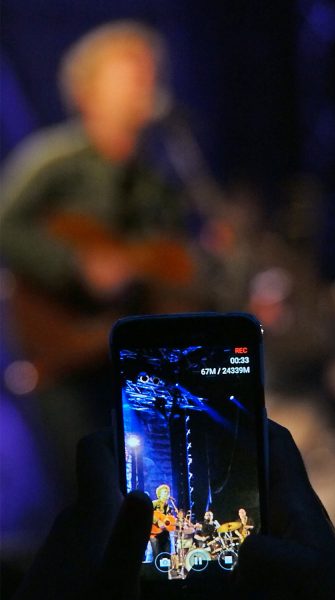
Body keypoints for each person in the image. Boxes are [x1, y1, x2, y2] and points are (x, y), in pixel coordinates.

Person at [0, 21, 201, 501]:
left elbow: (171, 264)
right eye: (129, 72)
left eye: (150, 72)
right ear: (87, 89)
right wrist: (74, 267)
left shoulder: (160, 177)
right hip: (64, 355)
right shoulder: (53, 161)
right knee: (84, 493)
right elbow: (5, 226)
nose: (146, 83)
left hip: (132, 357)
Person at [11, 420, 335, 599]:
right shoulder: (155, 505)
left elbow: (187, 525)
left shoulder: (179, 510)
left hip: (177, 538)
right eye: (166, 489)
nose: (167, 491)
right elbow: (158, 521)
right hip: (156, 539)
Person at [151, 484, 175, 557]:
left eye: (168, 492)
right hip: (154, 533)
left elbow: (169, 520)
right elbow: (148, 513)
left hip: (165, 534)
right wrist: (158, 521)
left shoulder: (170, 507)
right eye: (165, 491)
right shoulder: (154, 503)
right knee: (157, 556)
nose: (167, 493)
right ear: (159, 494)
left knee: (167, 555)